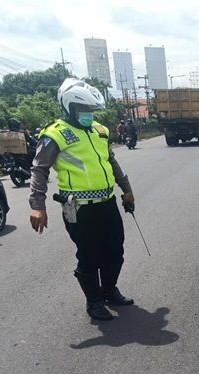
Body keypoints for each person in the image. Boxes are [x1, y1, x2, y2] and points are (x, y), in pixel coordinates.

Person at [29, 78, 135, 321]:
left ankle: (109, 291)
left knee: (115, 250)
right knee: (89, 255)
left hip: (107, 203)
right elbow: (39, 170)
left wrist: (126, 189)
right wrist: (37, 206)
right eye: (83, 110)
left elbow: (111, 161)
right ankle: (94, 301)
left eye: (91, 110)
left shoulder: (99, 131)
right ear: (69, 107)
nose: (88, 114)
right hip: (78, 209)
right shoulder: (55, 134)